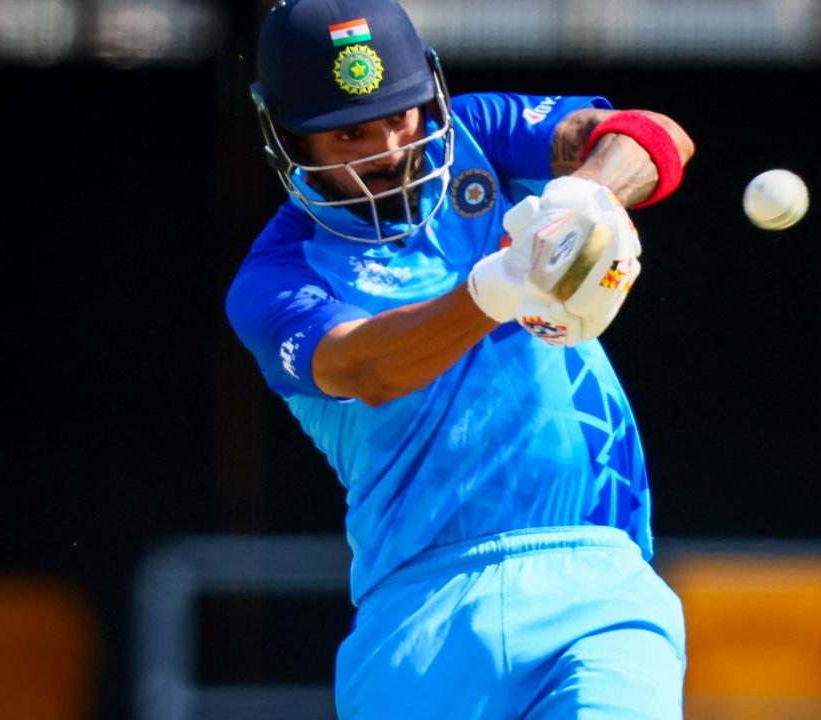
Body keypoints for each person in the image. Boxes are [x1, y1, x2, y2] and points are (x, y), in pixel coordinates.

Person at [225, 0, 695, 717]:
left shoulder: (480, 134)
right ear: (290, 137)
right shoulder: (277, 275)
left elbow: (654, 135)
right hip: (421, 616)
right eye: (351, 133)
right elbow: (367, 368)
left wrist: (581, 207)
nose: (388, 148)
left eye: (402, 115)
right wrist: (501, 286)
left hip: (598, 580)